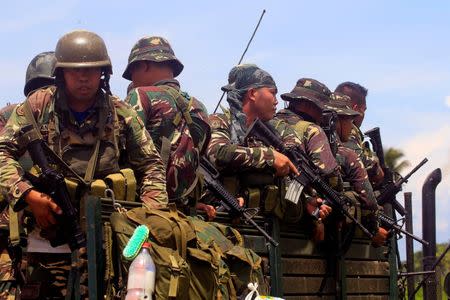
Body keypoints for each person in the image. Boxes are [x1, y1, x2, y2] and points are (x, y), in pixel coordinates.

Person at [0, 30, 168, 298]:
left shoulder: (120, 113)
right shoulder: (38, 106)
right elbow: (2, 151)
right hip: (45, 239)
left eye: (92, 70)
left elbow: (151, 165)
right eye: (75, 70)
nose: (83, 77)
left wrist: (146, 220)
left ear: (103, 73)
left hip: (107, 239)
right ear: (61, 73)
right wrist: (28, 195)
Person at [207, 64, 331, 225]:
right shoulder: (220, 121)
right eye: (272, 93)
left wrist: (307, 200)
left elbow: (283, 183)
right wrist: (270, 157)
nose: (276, 101)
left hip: (259, 225)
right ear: (252, 93)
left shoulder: (271, 135)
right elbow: (217, 153)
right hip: (221, 221)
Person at [123, 36, 214, 217]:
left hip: (143, 210)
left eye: (132, 71)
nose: (131, 79)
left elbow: (122, 149)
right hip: (185, 215)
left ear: (145, 65)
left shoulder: (140, 95)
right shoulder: (200, 107)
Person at [326, 92, 388, 246]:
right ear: (337, 121)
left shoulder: (313, 141)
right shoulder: (346, 155)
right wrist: (374, 229)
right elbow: (368, 198)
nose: (352, 125)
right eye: (350, 119)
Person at [275, 78, 342, 188]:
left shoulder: (269, 122)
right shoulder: (312, 130)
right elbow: (331, 177)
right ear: (309, 105)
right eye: (320, 108)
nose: (321, 114)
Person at [334, 82, 384, 186]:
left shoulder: (322, 122)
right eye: (363, 109)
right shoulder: (348, 129)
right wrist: (378, 168)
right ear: (355, 109)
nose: (363, 115)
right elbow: (364, 163)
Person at [0, 51, 56, 132]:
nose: (43, 93)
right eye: (39, 87)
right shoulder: (9, 115)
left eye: (50, 88)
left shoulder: (69, 116)